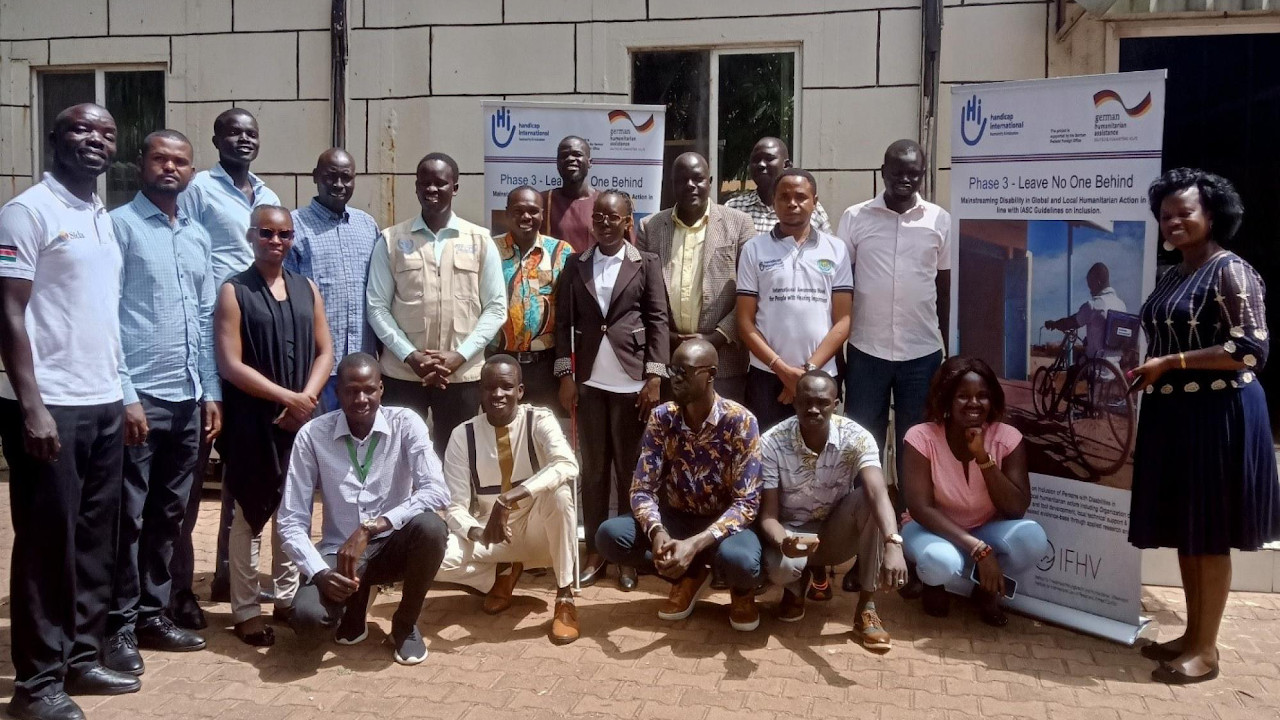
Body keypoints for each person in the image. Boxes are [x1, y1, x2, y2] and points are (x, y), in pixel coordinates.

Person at [0, 103, 138, 720]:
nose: (95, 140)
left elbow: (101, 317)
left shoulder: (99, 216)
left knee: (93, 542)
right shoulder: (28, 211)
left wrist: (125, 393)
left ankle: (80, 656)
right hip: (50, 406)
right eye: (82, 129)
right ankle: (35, 685)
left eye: (106, 133)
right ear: (55, 139)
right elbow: (7, 311)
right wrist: (31, 406)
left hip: (103, 401)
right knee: (44, 545)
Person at [1127, 168, 1280, 685]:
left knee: (1209, 534)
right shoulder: (1174, 272)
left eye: (1184, 212)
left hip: (1220, 416)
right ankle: (1192, 635)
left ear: (1211, 215)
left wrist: (1170, 365)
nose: (1173, 222)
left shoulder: (1231, 271)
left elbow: (1250, 350)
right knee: (1187, 531)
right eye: (1166, 214)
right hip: (1176, 416)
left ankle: (1207, 650)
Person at [103, 130, 215, 679]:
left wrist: (211, 392)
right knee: (128, 515)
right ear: (140, 164)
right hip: (141, 399)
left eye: (180, 162)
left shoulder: (196, 237)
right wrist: (125, 396)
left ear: (191, 172)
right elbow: (106, 317)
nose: (170, 168)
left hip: (189, 397)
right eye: (160, 158)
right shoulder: (119, 228)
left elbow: (202, 318)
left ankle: (154, 612)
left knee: (170, 515)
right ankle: (118, 626)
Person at [278, 353, 450, 666]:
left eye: (369, 390)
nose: (361, 399)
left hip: (394, 545)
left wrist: (373, 527)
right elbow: (290, 522)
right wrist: (319, 573)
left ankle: (405, 624)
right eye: (351, 391)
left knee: (432, 528)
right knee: (307, 620)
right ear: (338, 392)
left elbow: (437, 490)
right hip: (339, 555)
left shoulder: (405, 423)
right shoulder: (313, 436)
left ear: (381, 389)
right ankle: (353, 610)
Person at [174, 106, 281, 608]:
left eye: (251, 133)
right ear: (216, 140)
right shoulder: (198, 191)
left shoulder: (268, 196)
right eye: (233, 132)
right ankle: (177, 587)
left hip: (256, 340)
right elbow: (188, 254)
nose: (243, 139)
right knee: (197, 471)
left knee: (246, 464)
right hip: (213, 332)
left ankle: (227, 574)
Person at [836, 139, 952, 593]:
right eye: (898, 171)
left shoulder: (939, 221)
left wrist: (948, 351)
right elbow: (840, 286)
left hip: (922, 356)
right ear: (881, 171)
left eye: (915, 172)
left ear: (922, 174)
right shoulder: (855, 218)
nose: (906, 179)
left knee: (914, 461)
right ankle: (861, 559)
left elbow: (944, 289)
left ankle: (916, 561)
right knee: (862, 455)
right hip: (866, 352)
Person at [214, 206, 334, 646]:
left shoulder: (307, 289)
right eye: (267, 233)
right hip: (252, 422)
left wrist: (305, 401)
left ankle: (285, 597)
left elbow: (326, 351)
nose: (276, 241)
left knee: (293, 511)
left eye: (284, 234)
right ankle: (246, 610)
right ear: (251, 236)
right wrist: (288, 399)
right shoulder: (234, 290)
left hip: (300, 421)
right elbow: (229, 364)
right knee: (249, 515)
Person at [595, 339, 763, 630]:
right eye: (673, 370)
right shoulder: (663, 417)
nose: (676, 378)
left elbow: (747, 504)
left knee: (741, 563)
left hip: (724, 525)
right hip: (678, 517)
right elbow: (642, 488)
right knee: (610, 536)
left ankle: (741, 590)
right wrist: (657, 531)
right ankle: (689, 576)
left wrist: (696, 543)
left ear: (710, 374)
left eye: (685, 371)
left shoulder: (741, 422)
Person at [555, 189, 669, 590]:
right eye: (598, 218)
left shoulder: (646, 264)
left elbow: (658, 320)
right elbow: (563, 323)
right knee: (594, 469)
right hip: (589, 383)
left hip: (632, 381)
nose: (604, 224)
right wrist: (566, 375)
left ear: (627, 221)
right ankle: (595, 551)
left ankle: (629, 553)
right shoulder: (575, 263)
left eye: (613, 218)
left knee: (630, 470)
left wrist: (654, 377)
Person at [366, 152, 507, 456]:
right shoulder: (391, 240)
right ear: (416, 187)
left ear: (455, 187)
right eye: (425, 183)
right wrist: (410, 356)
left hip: (461, 374)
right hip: (403, 374)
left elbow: (496, 307)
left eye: (440, 183)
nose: (432, 189)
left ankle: (453, 507)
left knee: (457, 458)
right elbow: (377, 307)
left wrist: (460, 355)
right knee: (398, 455)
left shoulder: (480, 240)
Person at [757, 371, 908, 651]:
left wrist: (893, 541)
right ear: (795, 403)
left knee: (867, 500)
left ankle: (866, 607)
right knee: (783, 570)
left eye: (823, 403)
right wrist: (783, 542)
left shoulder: (857, 437)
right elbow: (767, 516)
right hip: (793, 535)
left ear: (836, 404)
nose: (814, 409)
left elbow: (877, 490)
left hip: (836, 532)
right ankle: (796, 584)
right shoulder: (771, 443)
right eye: (806, 402)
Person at [436, 355, 582, 644]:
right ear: (480, 391)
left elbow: (568, 464)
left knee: (561, 493)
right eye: (490, 387)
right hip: (493, 536)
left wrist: (509, 498)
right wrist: (478, 531)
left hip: (540, 533)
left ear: (520, 391)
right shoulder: (462, 435)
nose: (498, 394)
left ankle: (565, 597)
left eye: (506, 387)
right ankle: (499, 573)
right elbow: (454, 505)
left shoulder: (538, 419)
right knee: (432, 558)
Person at [899, 357, 1048, 627]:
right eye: (962, 396)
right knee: (937, 562)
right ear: (946, 400)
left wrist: (982, 457)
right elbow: (920, 508)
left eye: (982, 396)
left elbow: (1016, 507)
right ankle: (933, 583)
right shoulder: (921, 437)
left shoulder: (1007, 437)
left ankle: (984, 588)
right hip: (929, 530)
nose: (974, 403)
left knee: (1032, 538)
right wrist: (979, 550)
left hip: (983, 528)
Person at [736, 168, 853, 431]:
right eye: (784, 197)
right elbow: (745, 322)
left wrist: (805, 373)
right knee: (768, 456)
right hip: (767, 376)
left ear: (815, 201)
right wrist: (782, 370)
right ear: (774, 202)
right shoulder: (754, 249)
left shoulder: (836, 249)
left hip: (821, 377)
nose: (792, 203)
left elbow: (844, 320)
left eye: (801, 196)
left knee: (820, 458)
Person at [637, 152, 756, 402]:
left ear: (710, 181)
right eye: (681, 179)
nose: (690, 185)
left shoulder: (740, 224)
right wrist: (667, 337)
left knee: (722, 436)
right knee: (671, 437)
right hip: (669, 358)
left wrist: (715, 338)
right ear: (671, 185)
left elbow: (751, 292)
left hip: (723, 361)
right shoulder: (651, 228)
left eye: (697, 179)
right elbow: (640, 293)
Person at [286, 148, 380, 413]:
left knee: (359, 447)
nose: (339, 185)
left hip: (362, 369)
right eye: (331, 177)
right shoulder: (294, 226)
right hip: (316, 369)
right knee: (320, 444)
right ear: (315, 176)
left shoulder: (367, 225)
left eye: (346, 178)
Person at [490, 186, 574, 412]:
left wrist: (566, 372)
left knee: (543, 435)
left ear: (542, 215)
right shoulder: (489, 250)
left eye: (533, 211)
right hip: (500, 363)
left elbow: (568, 315)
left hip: (545, 367)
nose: (526, 217)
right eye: (518, 211)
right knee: (502, 435)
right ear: (507, 213)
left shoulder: (561, 252)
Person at [724, 136, 831, 235]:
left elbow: (827, 250)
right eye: (756, 160)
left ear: (787, 165)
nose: (761, 165)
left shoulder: (809, 208)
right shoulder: (734, 207)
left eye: (769, 159)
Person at [1045, 261, 1128, 365]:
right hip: (1115, 367)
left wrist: (1054, 324)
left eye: (1090, 285)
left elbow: (1070, 323)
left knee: (1072, 371)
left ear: (1098, 283)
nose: (1090, 291)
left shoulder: (1094, 305)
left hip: (1096, 367)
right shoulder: (1121, 305)